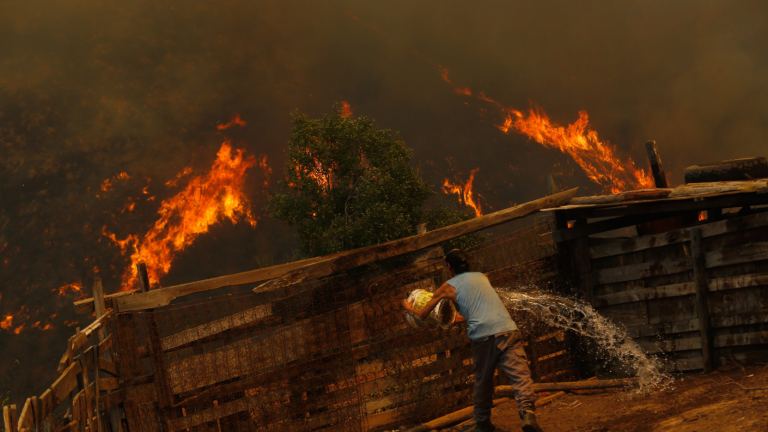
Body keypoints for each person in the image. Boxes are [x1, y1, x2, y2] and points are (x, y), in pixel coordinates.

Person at [403, 249, 543, 432]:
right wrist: (450, 318)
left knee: (483, 381)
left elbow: (422, 315)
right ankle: (527, 413)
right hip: (508, 329)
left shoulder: (447, 286)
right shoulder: (483, 277)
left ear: (448, 267)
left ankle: (483, 423)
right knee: (520, 374)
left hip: (483, 337)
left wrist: (407, 309)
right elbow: (474, 311)